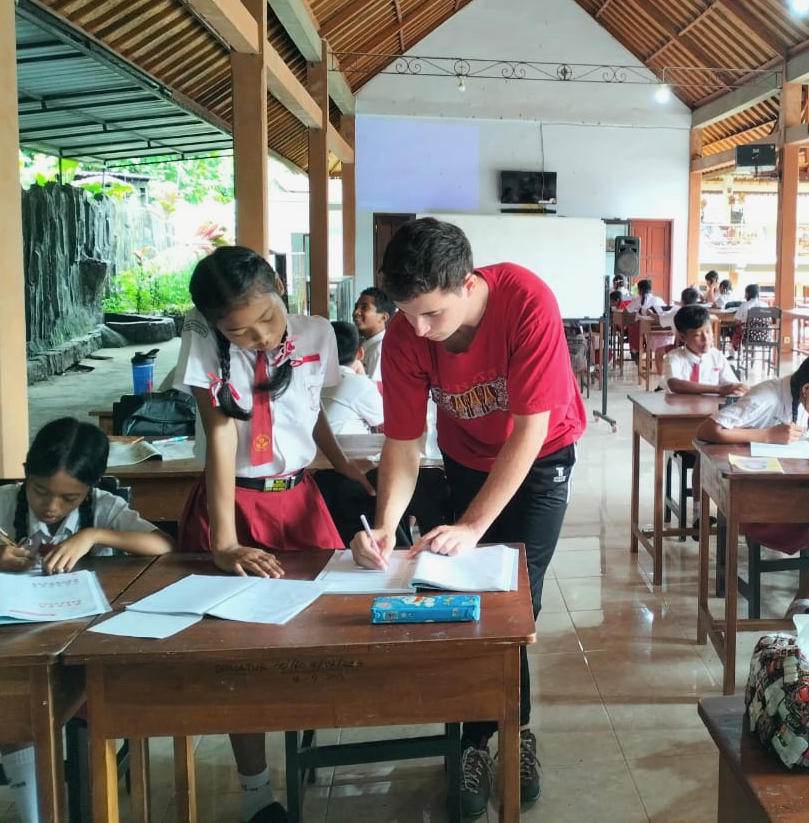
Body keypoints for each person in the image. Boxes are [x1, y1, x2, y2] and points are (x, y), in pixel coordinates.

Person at [349, 218, 584, 815]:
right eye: (406, 313)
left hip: (540, 459)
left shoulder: (526, 300)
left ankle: (514, 734)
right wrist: (384, 525)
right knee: (465, 592)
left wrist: (473, 527)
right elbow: (403, 444)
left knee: (511, 602)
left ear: (466, 283)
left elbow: (530, 430)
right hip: (468, 460)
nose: (419, 330)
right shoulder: (406, 335)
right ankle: (479, 739)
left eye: (431, 314)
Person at [174, 246, 371, 823]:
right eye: (239, 330)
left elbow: (309, 411)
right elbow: (220, 439)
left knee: (318, 628)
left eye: (266, 318)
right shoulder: (207, 348)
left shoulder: (317, 335)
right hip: (234, 505)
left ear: (280, 287)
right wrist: (225, 542)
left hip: (300, 499)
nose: (257, 336)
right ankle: (256, 790)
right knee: (241, 652)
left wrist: (340, 463)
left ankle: (304, 741)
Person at [0, 417, 173, 823]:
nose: (50, 506)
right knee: (16, 698)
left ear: (90, 488)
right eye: (40, 491)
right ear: (26, 473)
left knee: (52, 695)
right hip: (14, 634)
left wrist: (95, 536)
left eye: (69, 498)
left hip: (82, 637)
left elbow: (163, 545)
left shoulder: (102, 507)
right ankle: (36, 814)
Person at [697, 351, 809, 611]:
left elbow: (797, 432)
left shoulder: (797, 394)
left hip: (786, 492)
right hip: (759, 502)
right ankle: (807, 600)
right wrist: (766, 435)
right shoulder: (767, 397)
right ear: (807, 388)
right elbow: (706, 430)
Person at [664, 305, 746, 396]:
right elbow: (675, 384)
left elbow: (732, 385)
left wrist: (740, 388)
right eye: (697, 335)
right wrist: (718, 389)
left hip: (712, 408)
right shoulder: (674, 357)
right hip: (680, 409)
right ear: (683, 337)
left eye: (708, 331)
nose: (706, 338)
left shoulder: (716, 356)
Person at [321, 321, 384, 435]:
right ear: (360, 353)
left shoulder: (311, 379)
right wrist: (362, 376)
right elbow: (382, 422)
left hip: (311, 450)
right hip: (348, 451)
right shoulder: (362, 385)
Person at [353, 286, 395, 383]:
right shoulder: (364, 343)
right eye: (356, 307)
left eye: (364, 307)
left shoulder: (380, 349)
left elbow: (373, 390)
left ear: (384, 317)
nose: (356, 312)